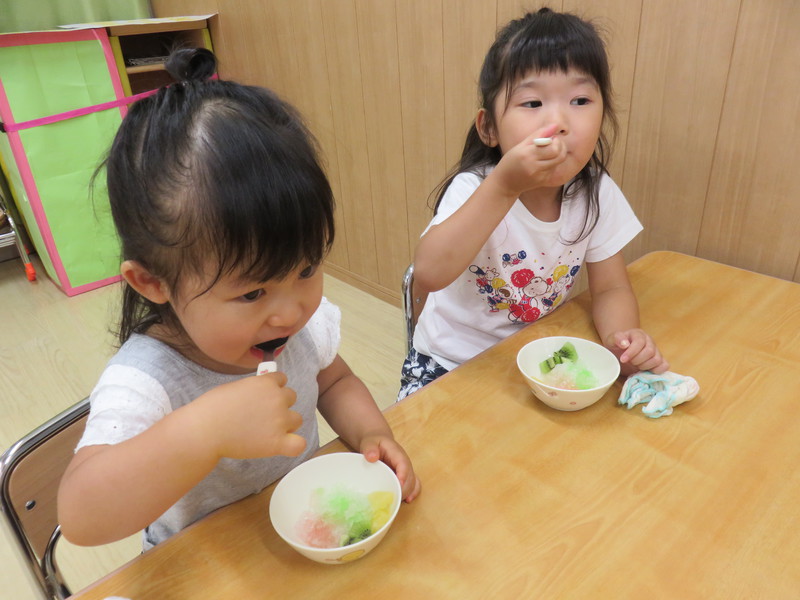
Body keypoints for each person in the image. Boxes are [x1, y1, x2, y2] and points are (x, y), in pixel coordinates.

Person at [57, 48, 420, 550]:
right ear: (152, 282)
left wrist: (372, 434)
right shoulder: (147, 381)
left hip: (302, 534)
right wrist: (201, 433)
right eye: (252, 291)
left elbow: (334, 380)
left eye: (307, 268)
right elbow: (81, 517)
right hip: (207, 565)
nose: (292, 311)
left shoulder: (292, 327)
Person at [399, 8, 669, 401]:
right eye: (531, 103)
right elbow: (429, 273)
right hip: (446, 363)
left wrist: (621, 339)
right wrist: (504, 186)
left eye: (580, 100)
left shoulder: (595, 192)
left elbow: (610, 288)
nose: (558, 121)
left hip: (537, 360)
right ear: (489, 127)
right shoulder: (475, 187)